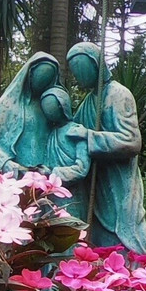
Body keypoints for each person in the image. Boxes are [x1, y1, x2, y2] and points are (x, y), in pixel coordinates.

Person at [65, 42, 146, 255]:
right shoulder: (88, 102)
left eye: (81, 69)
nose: (78, 76)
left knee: (124, 236)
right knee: (98, 240)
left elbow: (131, 140)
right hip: (96, 183)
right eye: (74, 72)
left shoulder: (118, 94)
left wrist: (89, 136)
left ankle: (136, 281)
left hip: (118, 182)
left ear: (95, 65)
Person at [0, 53, 62, 175]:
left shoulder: (50, 107)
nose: (41, 83)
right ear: (29, 74)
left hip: (45, 176)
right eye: (39, 76)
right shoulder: (7, 106)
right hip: (15, 178)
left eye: (47, 79)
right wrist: (6, 164)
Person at [39, 86, 90, 218]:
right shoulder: (51, 133)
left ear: (63, 107)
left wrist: (53, 173)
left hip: (72, 197)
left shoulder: (76, 131)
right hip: (50, 197)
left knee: (71, 234)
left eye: (52, 107)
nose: (49, 112)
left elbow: (82, 169)